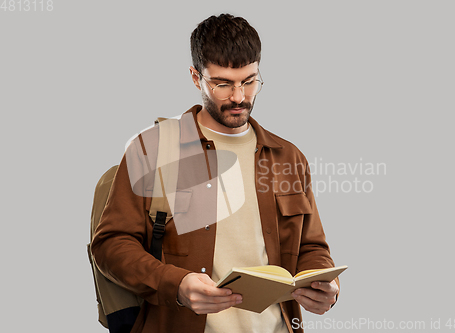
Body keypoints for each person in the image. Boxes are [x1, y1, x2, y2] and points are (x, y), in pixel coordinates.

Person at [91, 13, 339, 333]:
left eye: (249, 81)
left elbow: (313, 247)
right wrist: (177, 285)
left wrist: (326, 288)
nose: (238, 97)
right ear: (196, 78)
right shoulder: (150, 151)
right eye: (222, 84)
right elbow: (111, 245)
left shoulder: (288, 157)